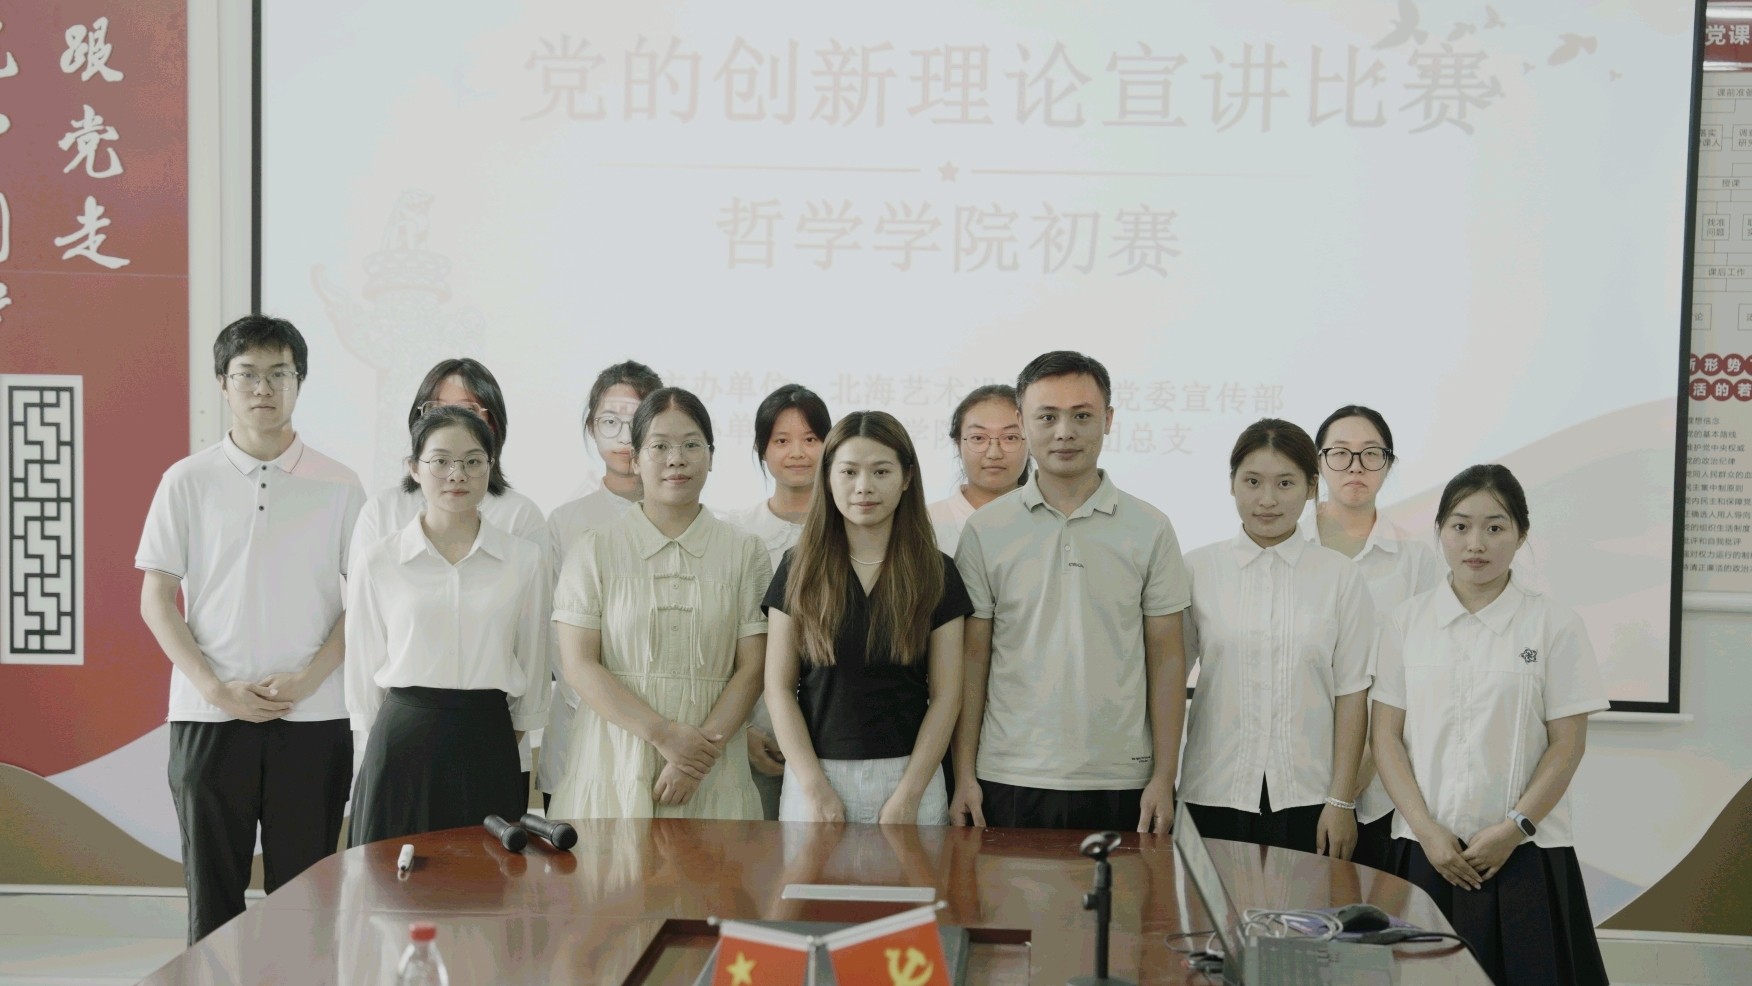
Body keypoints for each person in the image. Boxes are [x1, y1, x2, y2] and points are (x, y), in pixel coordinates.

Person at [136, 315, 364, 943]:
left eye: (279, 374)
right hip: (209, 718)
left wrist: (307, 679)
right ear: (223, 382)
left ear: (300, 381)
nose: (264, 388)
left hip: (312, 716)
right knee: (213, 902)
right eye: (247, 375)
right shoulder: (187, 480)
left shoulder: (341, 484)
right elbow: (156, 599)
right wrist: (215, 689)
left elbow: (365, 603)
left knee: (306, 902)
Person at [1372, 465, 1610, 986]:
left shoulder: (1555, 625)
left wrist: (1514, 828)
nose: (1475, 543)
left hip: (1524, 853)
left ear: (1521, 535)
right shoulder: (1405, 624)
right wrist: (1427, 830)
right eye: (1460, 526)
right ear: (1440, 531)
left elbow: (1567, 744)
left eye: (1495, 527)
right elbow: (1385, 737)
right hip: (1426, 850)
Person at [951, 351, 1189, 833]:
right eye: (1047, 417)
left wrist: (1164, 776)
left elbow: (1167, 658)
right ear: (1022, 422)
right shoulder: (985, 529)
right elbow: (972, 659)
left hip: (1121, 778)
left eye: (1082, 416)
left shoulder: (1150, 527)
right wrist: (964, 775)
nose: (1064, 432)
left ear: (1108, 420)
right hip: (1008, 774)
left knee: (1118, 889)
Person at [549, 388, 770, 820]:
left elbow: (754, 667)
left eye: (691, 445)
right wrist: (663, 735)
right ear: (635, 459)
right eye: (660, 446)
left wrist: (693, 760)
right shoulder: (594, 548)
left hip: (712, 768)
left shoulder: (745, 552)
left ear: (711, 456)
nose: (676, 459)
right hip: (613, 763)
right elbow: (578, 665)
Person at [345, 407, 550, 846]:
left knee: (486, 880)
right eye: (440, 461)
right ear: (414, 468)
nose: (457, 474)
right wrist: (372, 752)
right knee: (392, 880)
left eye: (473, 461)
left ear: (490, 468)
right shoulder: (379, 560)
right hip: (401, 742)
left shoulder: (524, 560)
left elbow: (534, 663)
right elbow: (362, 668)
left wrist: (501, 737)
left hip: (488, 739)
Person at [1179, 419, 1376, 856]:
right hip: (1213, 790)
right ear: (1232, 483)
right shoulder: (1196, 569)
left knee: (1309, 903)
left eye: (1285, 483)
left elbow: (1352, 694)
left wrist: (1341, 801)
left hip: (1310, 798)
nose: (1267, 500)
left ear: (1311, 488)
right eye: (1252, 482)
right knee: (1210, 903)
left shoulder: (1339, 577)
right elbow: (1167, 680)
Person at [763, 411, 970, 824]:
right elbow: (779, 688)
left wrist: (909, 796)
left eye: (881, 471)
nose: (864, 487)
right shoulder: (798, 568)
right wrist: (815, 788)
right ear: (827, 477)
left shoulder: (937, 571)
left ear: (907, 477)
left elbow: (947, 695)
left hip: (911, 779)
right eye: (849, 471)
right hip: (814, 779)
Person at [1306, 405, 1443, 869]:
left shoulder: (1415, 561)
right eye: (1340, 453)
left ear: (1389, 463)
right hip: (1291, 773)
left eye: (1371, 454)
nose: (1356, 467)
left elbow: (1415, 677)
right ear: (1318, 462)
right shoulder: (1288, 545)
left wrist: (1353, 780)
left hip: (1381, 783)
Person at [539, 360, 664, 809]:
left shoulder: (691, 519)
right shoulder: (566, 522)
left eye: (636, 421)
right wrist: (607, 704)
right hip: (581, 725)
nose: (623, 436)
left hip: (667, 733)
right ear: (591, 427)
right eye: (610, 421)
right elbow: (555, 635)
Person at [723, 384, 833, 820]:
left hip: (836, 737)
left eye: (811, 438)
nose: (798, 453)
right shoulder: (736, 534)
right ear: (761, 449)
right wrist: (742, 731)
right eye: (782, 440)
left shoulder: (854, 527)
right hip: (758, 738)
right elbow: (723, 641)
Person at [928, 384, 1028, 555]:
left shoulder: (1052, 521)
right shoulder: (925, 523)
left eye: (1010, 437)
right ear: (958, 445)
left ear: (1031, 443)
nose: (994, 453)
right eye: (978, 438)